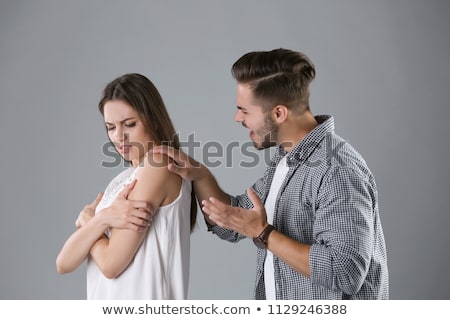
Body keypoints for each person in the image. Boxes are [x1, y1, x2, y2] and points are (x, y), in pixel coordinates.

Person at [153, 48, 389, 299]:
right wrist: (200, 176)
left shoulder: (336, 170)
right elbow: (235, 223)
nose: (236, 118)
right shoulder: (286, 160)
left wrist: (264, 233)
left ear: (279, 113)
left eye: (244, 110)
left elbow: (345, 272)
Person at [56, 73, 197, 299]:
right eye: (110, 127)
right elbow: (63, 263)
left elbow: (111, 264)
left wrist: (91, 223)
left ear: (153, 119)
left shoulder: (158, 165)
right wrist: (101, 220)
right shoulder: (122, 180)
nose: (119, 136)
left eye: (129, 124)